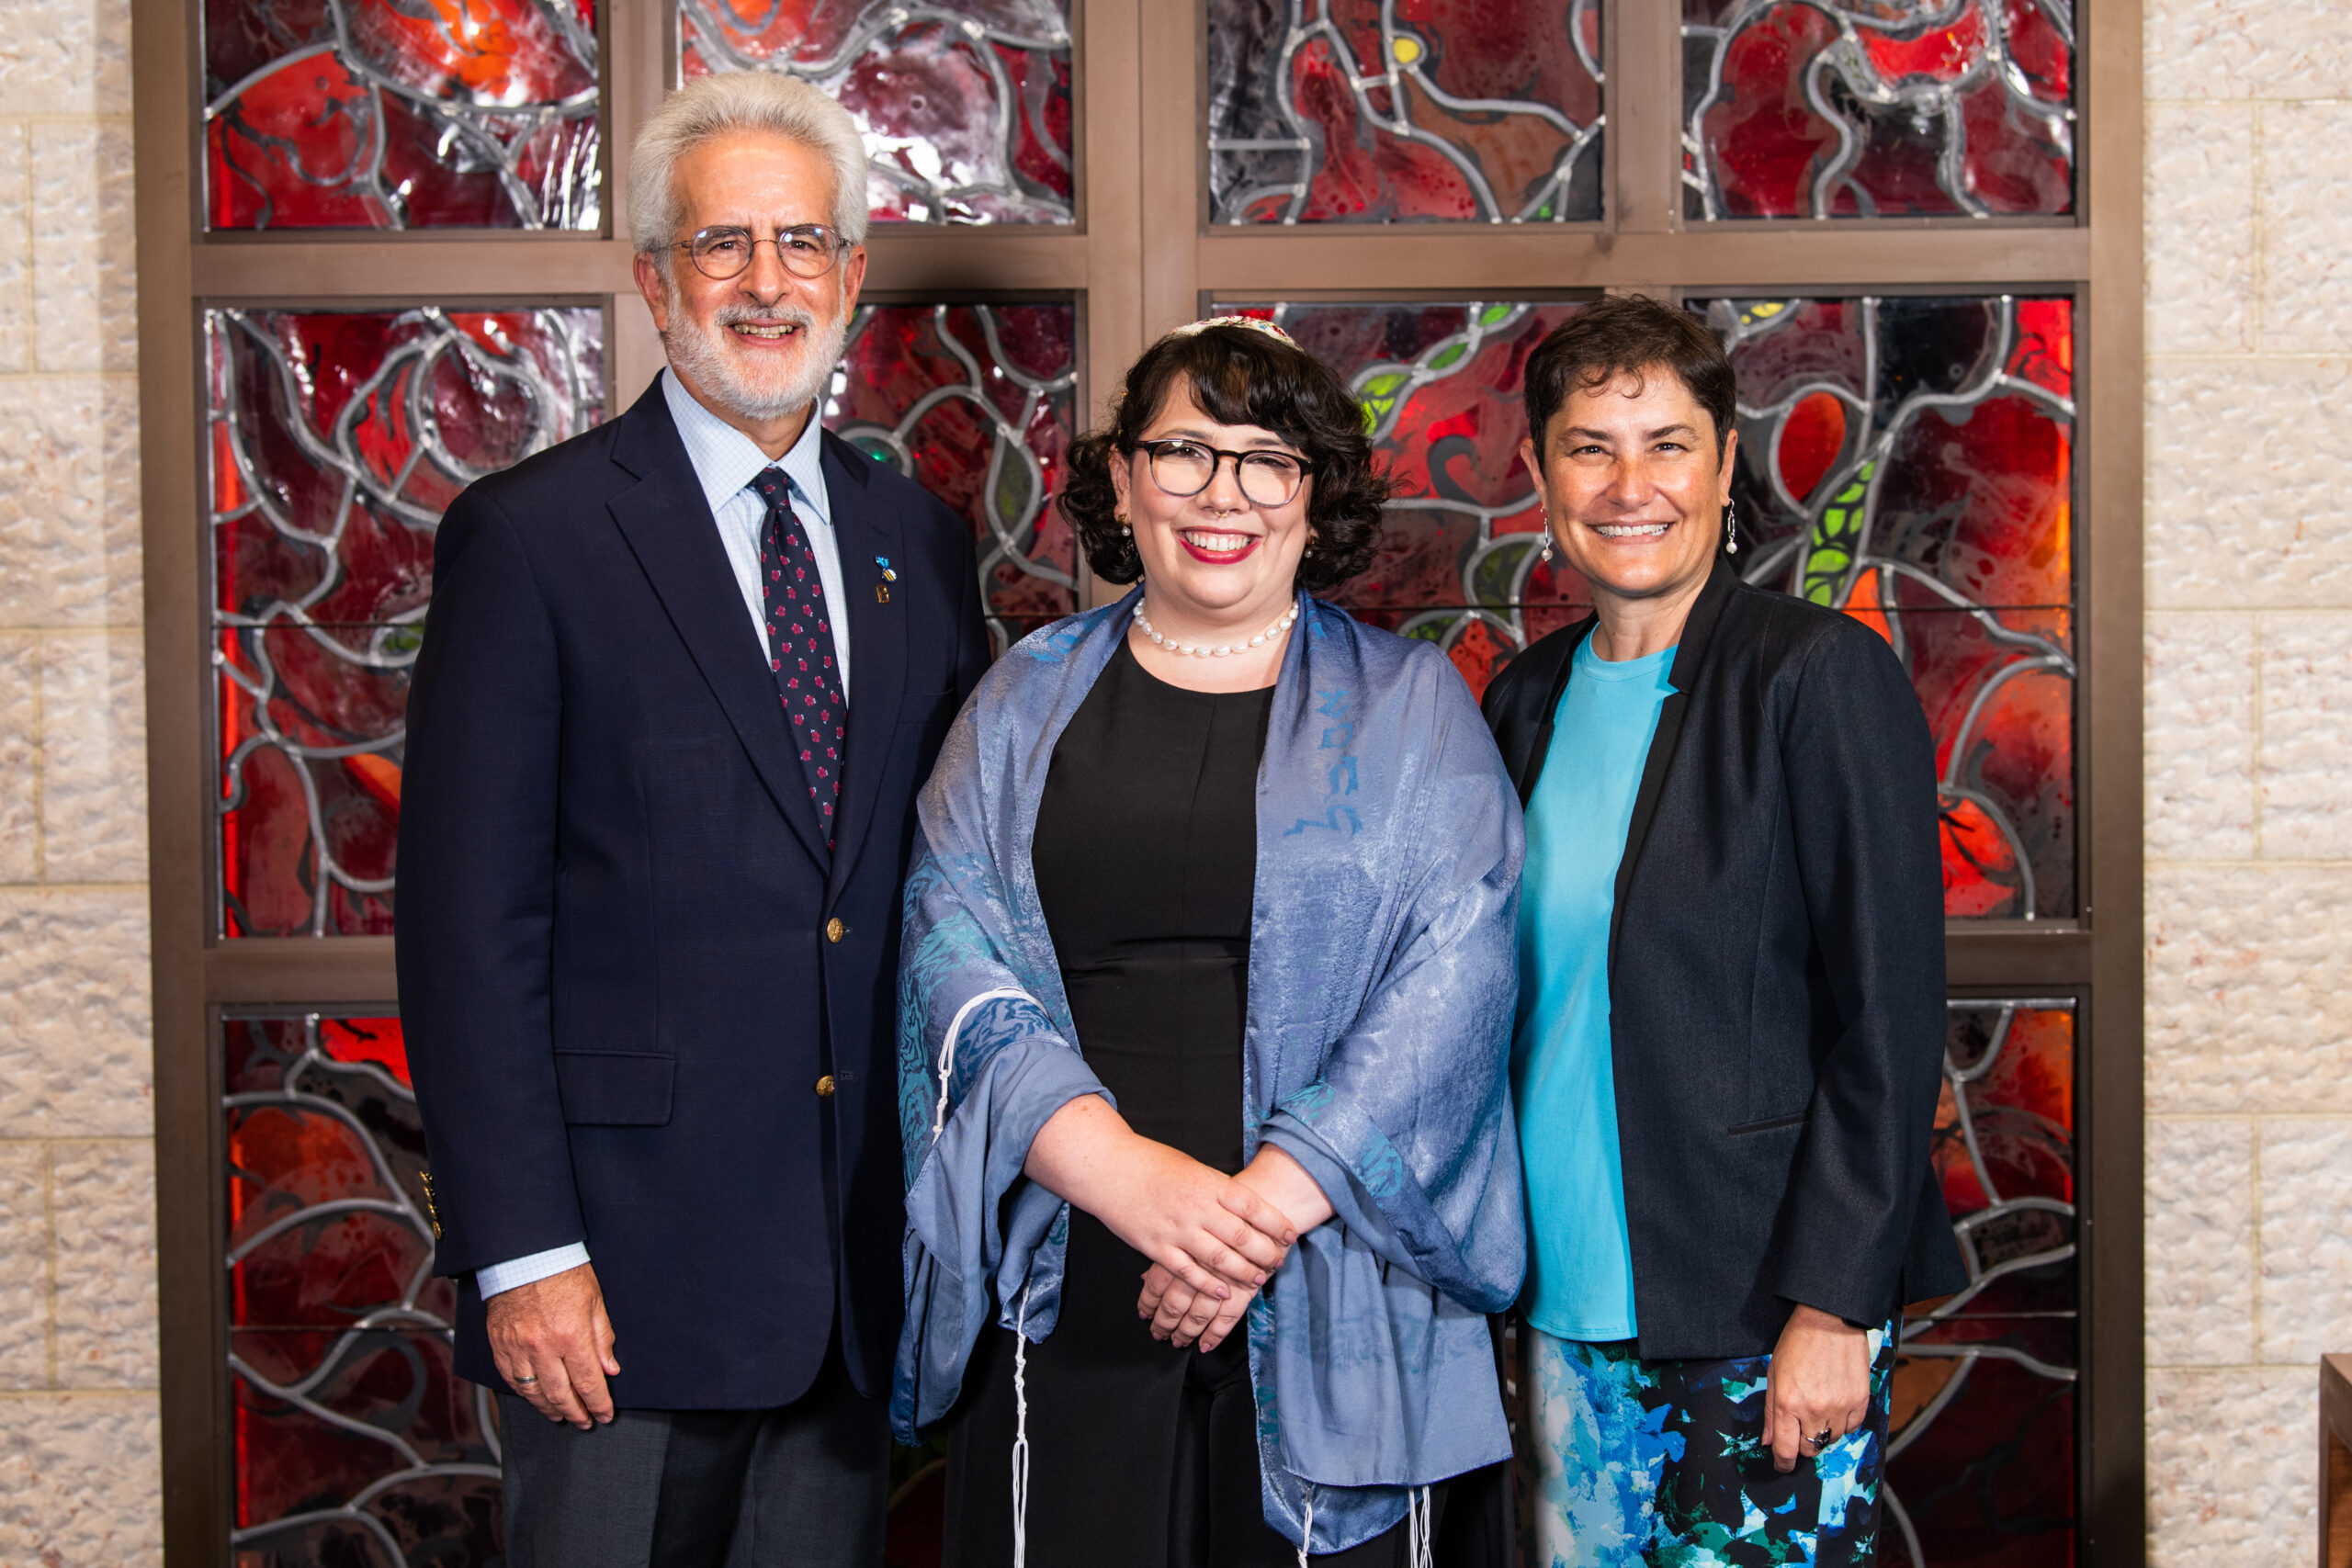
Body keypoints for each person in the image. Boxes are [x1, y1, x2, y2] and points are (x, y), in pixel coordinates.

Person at [396, 73, 989, 1567]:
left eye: (802, 244)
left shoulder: (913, 538)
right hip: (617, 1290)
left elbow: (928, 891)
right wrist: (524, 1255)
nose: (766, 282)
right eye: (721, 244)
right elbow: (469, 934)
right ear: (655, 281)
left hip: (851, 1280)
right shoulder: (530, 538)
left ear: (854, 277)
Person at [890, 317, 1525, 1567]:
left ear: (1314, 493)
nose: (1220, 493)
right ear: (1124, 477)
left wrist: (1253, 1217)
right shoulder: (1023, 698)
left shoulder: (1413, 707)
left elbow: (1459, 975)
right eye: (1183, 450)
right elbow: (944, 943)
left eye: (1265, 458)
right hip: (1075, 1264)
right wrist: (1130, 1180)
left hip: (1329, 1258)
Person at [1479, 295, 1966, 1565]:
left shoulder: (1815, 677)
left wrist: (1835, 1304)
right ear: (1539, 473)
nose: (1629, 484)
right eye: (1590, 446)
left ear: (1726, 462)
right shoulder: (1522, 700)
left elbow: (1890, 1013)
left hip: (1759, 1307)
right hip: (1562, 1305)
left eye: (1668, 443)